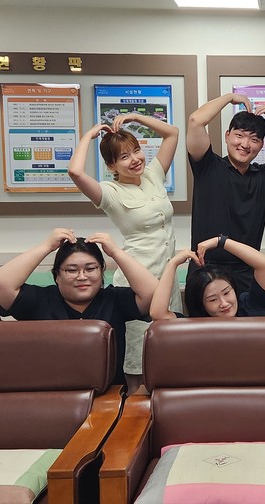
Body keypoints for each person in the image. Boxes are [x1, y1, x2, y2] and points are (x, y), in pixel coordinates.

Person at [68, 114, 179, 377]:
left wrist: (135, 117)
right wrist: (89, 135)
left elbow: (172, 133)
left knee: (171, 351)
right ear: (111, 166)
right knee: (139, 356)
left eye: (136, 151)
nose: (135, 159)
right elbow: (75, 172)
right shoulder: (109, 193)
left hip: (168, 278)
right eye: (124, 157)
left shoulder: (153, 175)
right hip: (138, 281)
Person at [0, 229, 158, 386]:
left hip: (109, 396)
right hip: (51, 394)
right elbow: (2, 283)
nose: (82, 277)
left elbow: (152, 293)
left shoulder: (113, 299)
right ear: (57, 276)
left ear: (101, 272)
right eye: (71, 270)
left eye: (90, 269)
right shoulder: (39, 300)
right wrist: (47, 246)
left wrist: (116, 252)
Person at [187, 93, 265, 295]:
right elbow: (195, 120)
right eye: (239, 135)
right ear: (227, 135)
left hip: (247, 272)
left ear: (261, 145)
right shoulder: (207, 166)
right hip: (205, 270)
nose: (245, 144)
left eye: (254, 139)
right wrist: (229, 98)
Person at [150, 235, 265, 320]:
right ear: (201, 305)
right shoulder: (194, 326)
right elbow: (157, 314)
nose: (224, 303)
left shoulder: (251, 308)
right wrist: (172, 264)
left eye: (226, 293)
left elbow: (264, 265)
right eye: (212, 300)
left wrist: (221, 241)